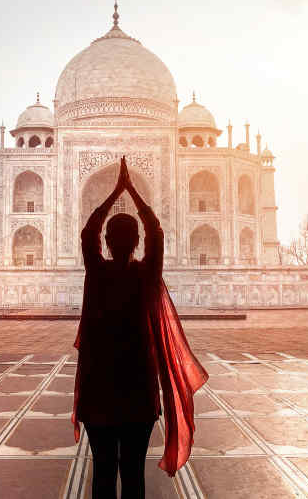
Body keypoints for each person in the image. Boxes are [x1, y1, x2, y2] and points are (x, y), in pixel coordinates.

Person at [72, 157, 208, 499]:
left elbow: (88, 231)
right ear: (136, 242)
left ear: (105, 242)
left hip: (98, 390)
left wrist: (114, 192)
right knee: (133, 472)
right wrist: (132, 189)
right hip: (138, 392)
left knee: (103, 471)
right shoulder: (146, 277)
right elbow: (156, 231)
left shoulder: (98, 276)